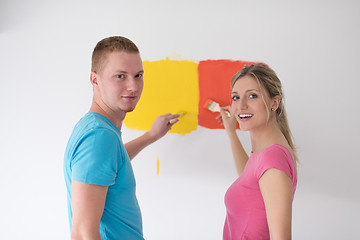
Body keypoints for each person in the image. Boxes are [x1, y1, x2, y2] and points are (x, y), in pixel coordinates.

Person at [63, 36, 181, 240]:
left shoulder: (99, 131)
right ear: (95, 79)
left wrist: (151, 136)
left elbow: (111, 164)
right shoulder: (99, 137)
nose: (133, 86)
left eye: (138, 75)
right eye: (120, 76)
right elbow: (82, 234)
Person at [219, 63, 298, 239]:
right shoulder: (265, 153)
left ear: (274, 103)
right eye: (236, 97)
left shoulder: (273, 159)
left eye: (252, 96)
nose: (240, 106)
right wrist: (232, 133)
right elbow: (248, 179)